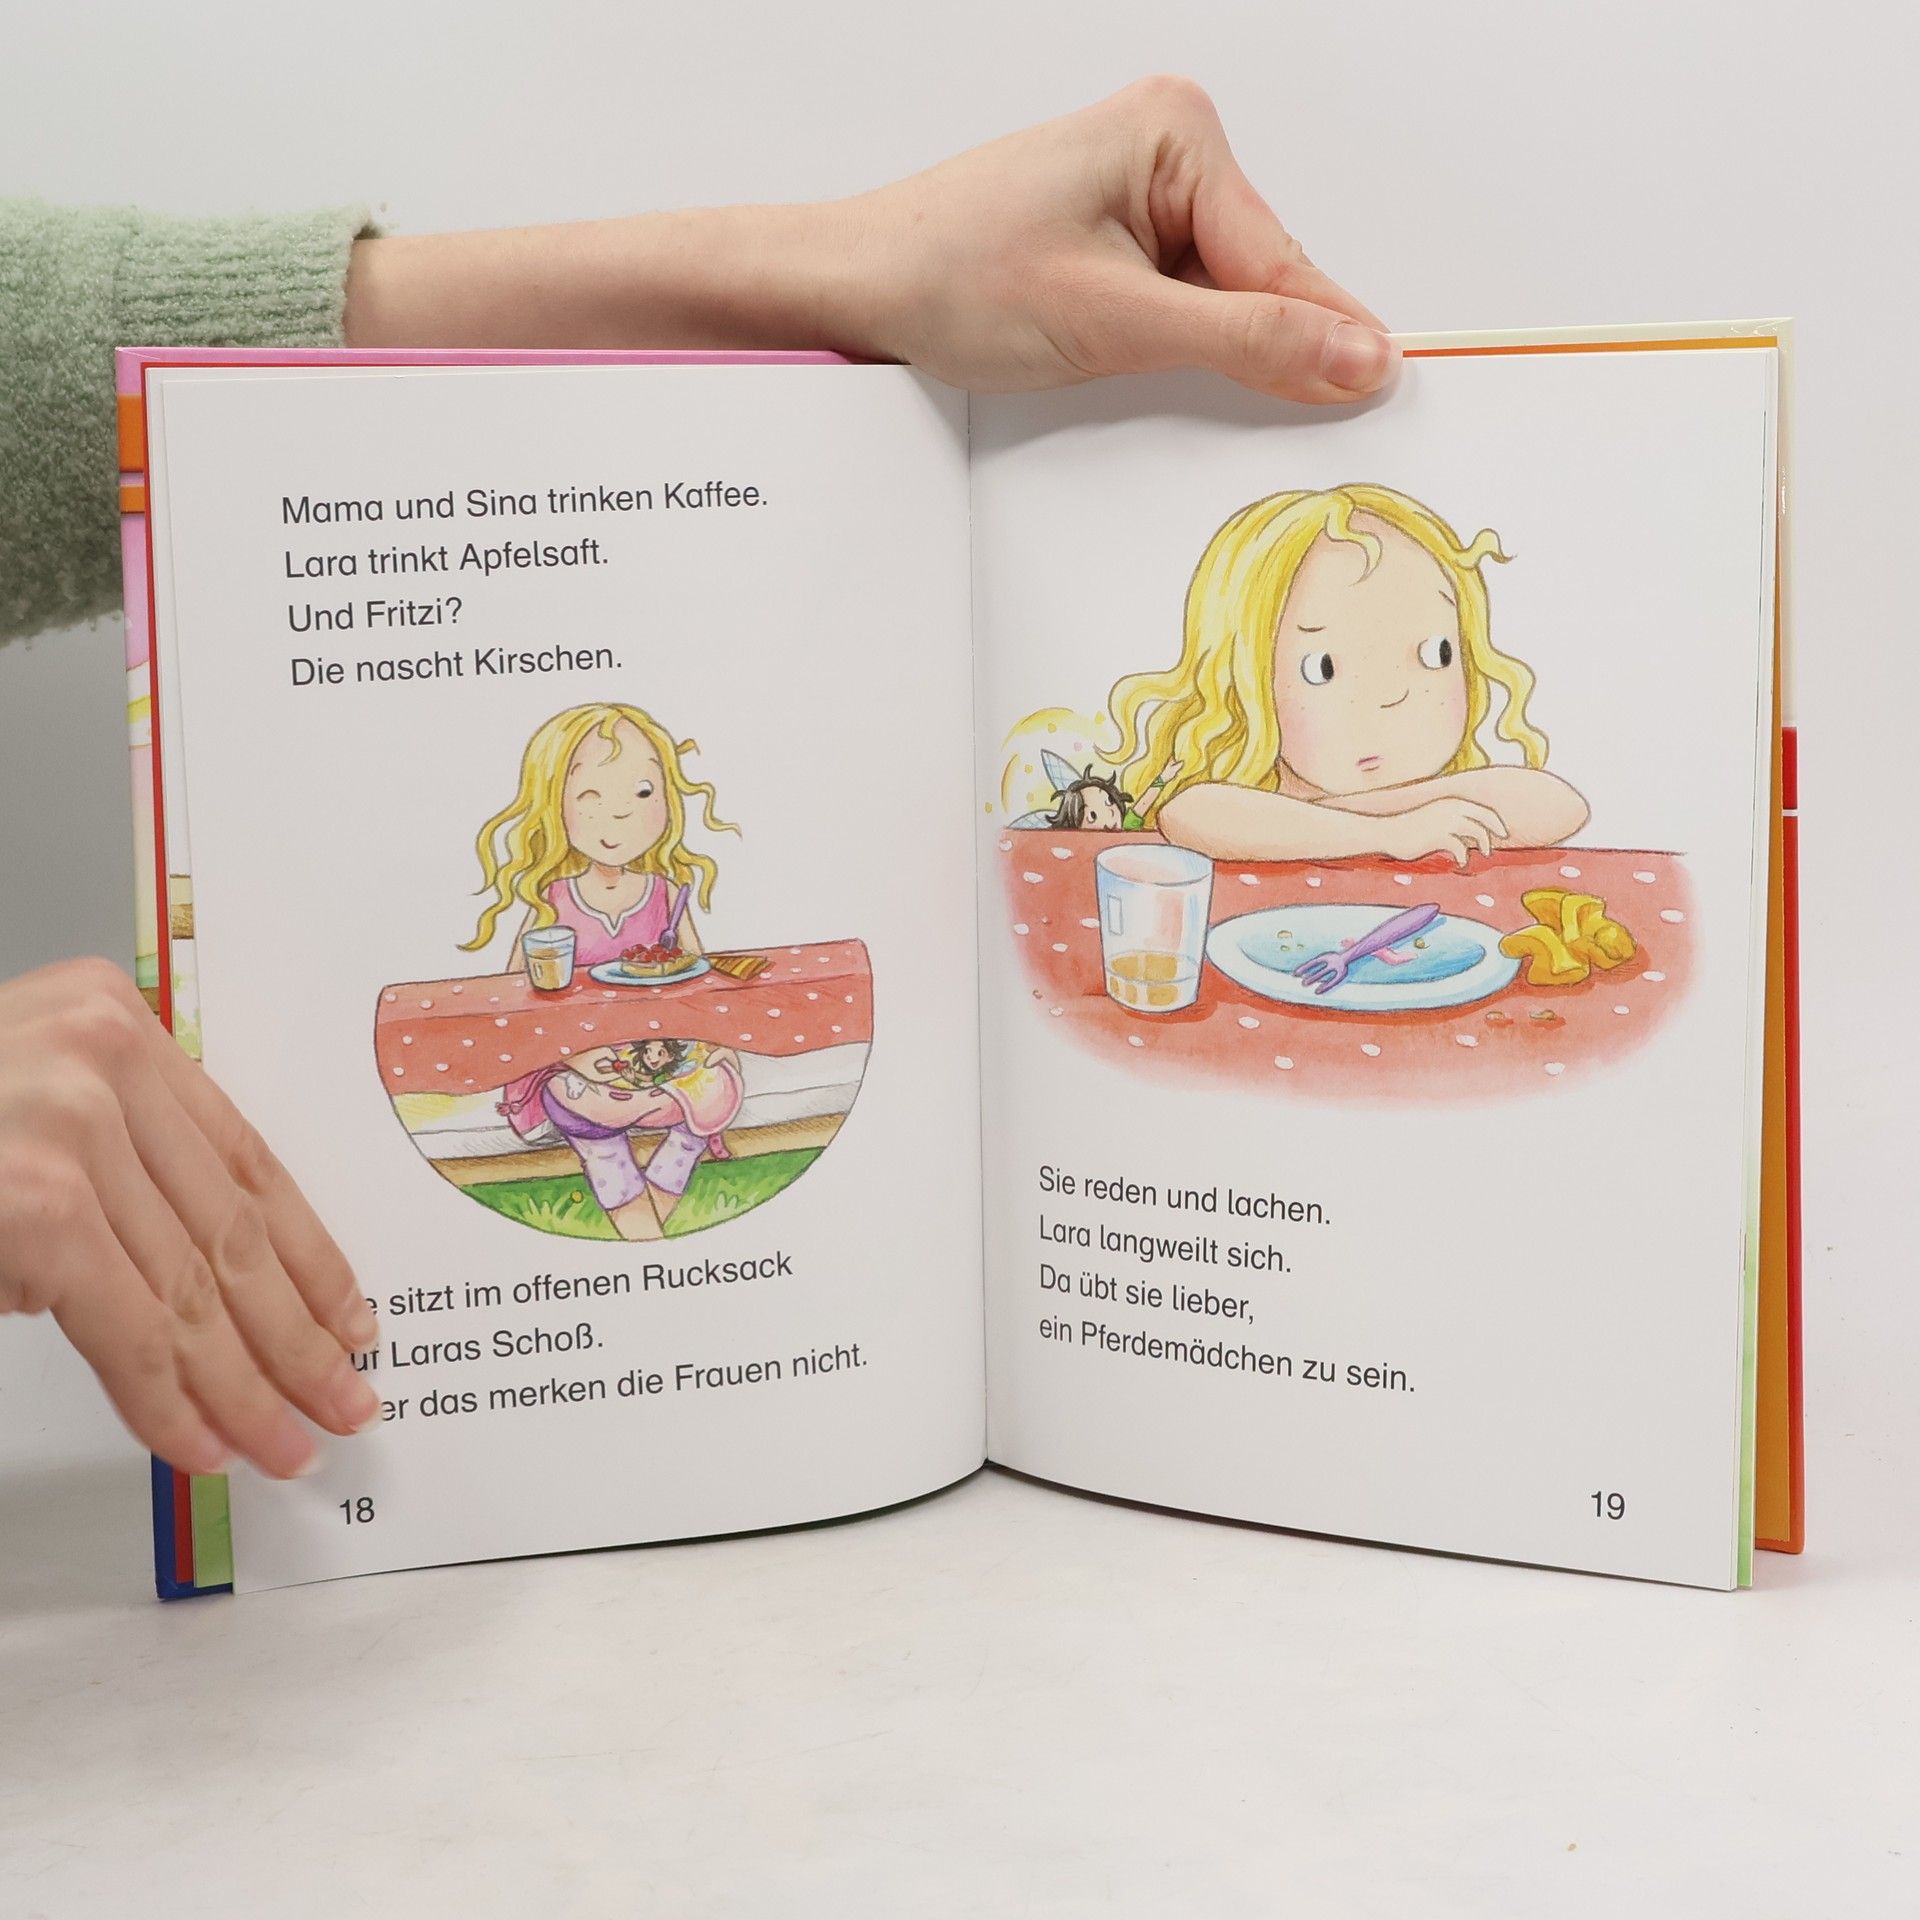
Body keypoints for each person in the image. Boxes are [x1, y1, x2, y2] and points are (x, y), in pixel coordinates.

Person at [0, 76, 1396, 1481]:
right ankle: (632, 1183)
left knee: (707, 1091)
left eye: (641, 798)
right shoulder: (563, 900)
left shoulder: (665, 888)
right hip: (565, 1147)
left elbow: (51, 370)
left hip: (661, 1055)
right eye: (600, 802)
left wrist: (854, 265)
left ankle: (661, 1169)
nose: (623, 820)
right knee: (596, 1104)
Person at [1099, 483, 1589, 864]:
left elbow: (1557, 806)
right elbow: (1189, 813)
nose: (1392, 695)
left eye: (1436, 653)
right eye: (1322, 668)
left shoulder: (1437, 805)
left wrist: (1372, 812)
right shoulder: (1235, 803)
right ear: (1247, 678)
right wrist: (1388, 832)